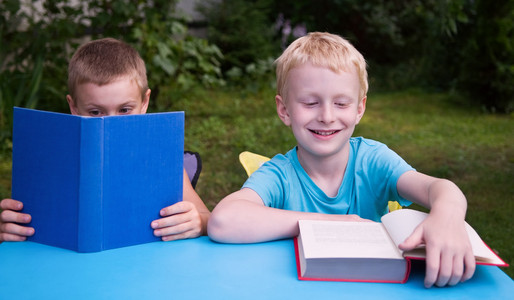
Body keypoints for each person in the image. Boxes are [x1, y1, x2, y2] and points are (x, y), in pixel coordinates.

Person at [207, 32, 475, 288]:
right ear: (284, 110)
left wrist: (447, 219)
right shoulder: (279, 174)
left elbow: (440, 189)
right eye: (310, 103)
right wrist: (334, 224)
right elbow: (223, 221)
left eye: (341, 103)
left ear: (360, 109)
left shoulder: (373, 160)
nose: (326, 116)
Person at [0, 38, 210, 243]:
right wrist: (11, 226)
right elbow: (22, 221)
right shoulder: (48, 157)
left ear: (144, 102)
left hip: (146, 264)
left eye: (125, 109)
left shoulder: (161, 156)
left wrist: (198, 222)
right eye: (95, 111)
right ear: (74, 107)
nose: (110, 123)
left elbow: (208, 217)